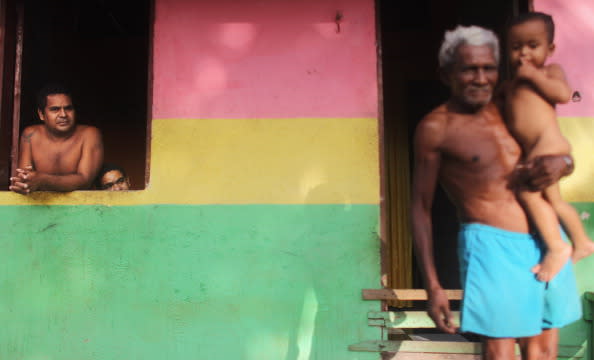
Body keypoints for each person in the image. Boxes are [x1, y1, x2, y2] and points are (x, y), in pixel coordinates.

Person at [411, 25, 581, 359]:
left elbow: (558, 154)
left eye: (488, 68)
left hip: (547, 242)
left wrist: (562, 162)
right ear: (446, 75)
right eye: (468, 69)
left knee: (544, 351)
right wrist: (433, 285)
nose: (480, 78)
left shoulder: (512, 105)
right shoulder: (436, 128)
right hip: (492, 245)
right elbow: (420, 207)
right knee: (500, 352)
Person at [505, 12, 594, 282]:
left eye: (533, 46)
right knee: (554, 200)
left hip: (549, 147)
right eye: (516, 47)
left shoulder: (548, 73)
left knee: (530, 195)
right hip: (535, 150)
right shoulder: (511, 86)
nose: (524, 54)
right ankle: (581, 242)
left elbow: (563, 94)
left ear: (550, 49)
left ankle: (558, 246)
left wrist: (534, 75)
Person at [9, 84, 103, 194]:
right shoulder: (31, 134)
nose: (63, 114)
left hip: (81, 207)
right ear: (41, 114)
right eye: (55, 109)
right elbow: (25, 178)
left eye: (68, 108)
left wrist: (42, 179)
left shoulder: (89, 134)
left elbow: (84, 180)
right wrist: (23, 183)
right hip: (40, 207)